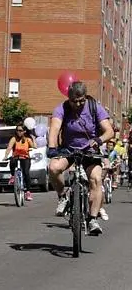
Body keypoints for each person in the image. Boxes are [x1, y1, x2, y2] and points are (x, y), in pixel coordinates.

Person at [46, 81, 113, 235]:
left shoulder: (94, 107)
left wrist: (99, 140)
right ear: (68, 98)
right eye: (74, 101)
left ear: (86, 96)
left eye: (81, 100)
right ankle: (63, 196)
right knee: (53, 168)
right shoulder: (62, 108)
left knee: (96, 179)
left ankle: (92, 219)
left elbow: (109, 131)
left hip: (90, 151)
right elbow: (55, 128)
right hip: (69, 149)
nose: (78, 104)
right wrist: (52, 147)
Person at [2, 124, 36, 201]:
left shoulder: (28, 139)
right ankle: (13, 176)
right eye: (17, 130)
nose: (18, 132)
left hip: (25, 157)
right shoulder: (14, 139)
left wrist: (33, 138)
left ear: (24, 131)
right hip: (16, 156)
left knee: (26, 173)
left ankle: (28, 192)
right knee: (12, 160)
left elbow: (35, 147)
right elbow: (9, 148)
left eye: (20, 131)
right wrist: (5, 156)